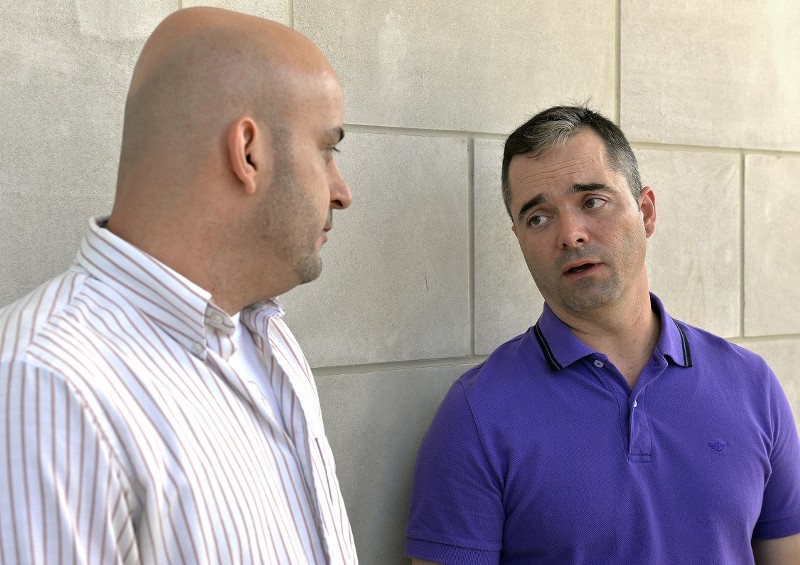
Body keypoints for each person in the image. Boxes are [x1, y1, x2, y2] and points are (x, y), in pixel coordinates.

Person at [0, 7, 357, 564]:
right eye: (327, 149)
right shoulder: (46, 379)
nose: (341, 191)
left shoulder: (266, 336)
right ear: (248, 152)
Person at [405, 106, 800, 564]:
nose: (570, 234)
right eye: (538, 217)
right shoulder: (476, 415)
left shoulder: (752, 386)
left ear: (646, 212)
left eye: (592, 201)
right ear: (519, 240)